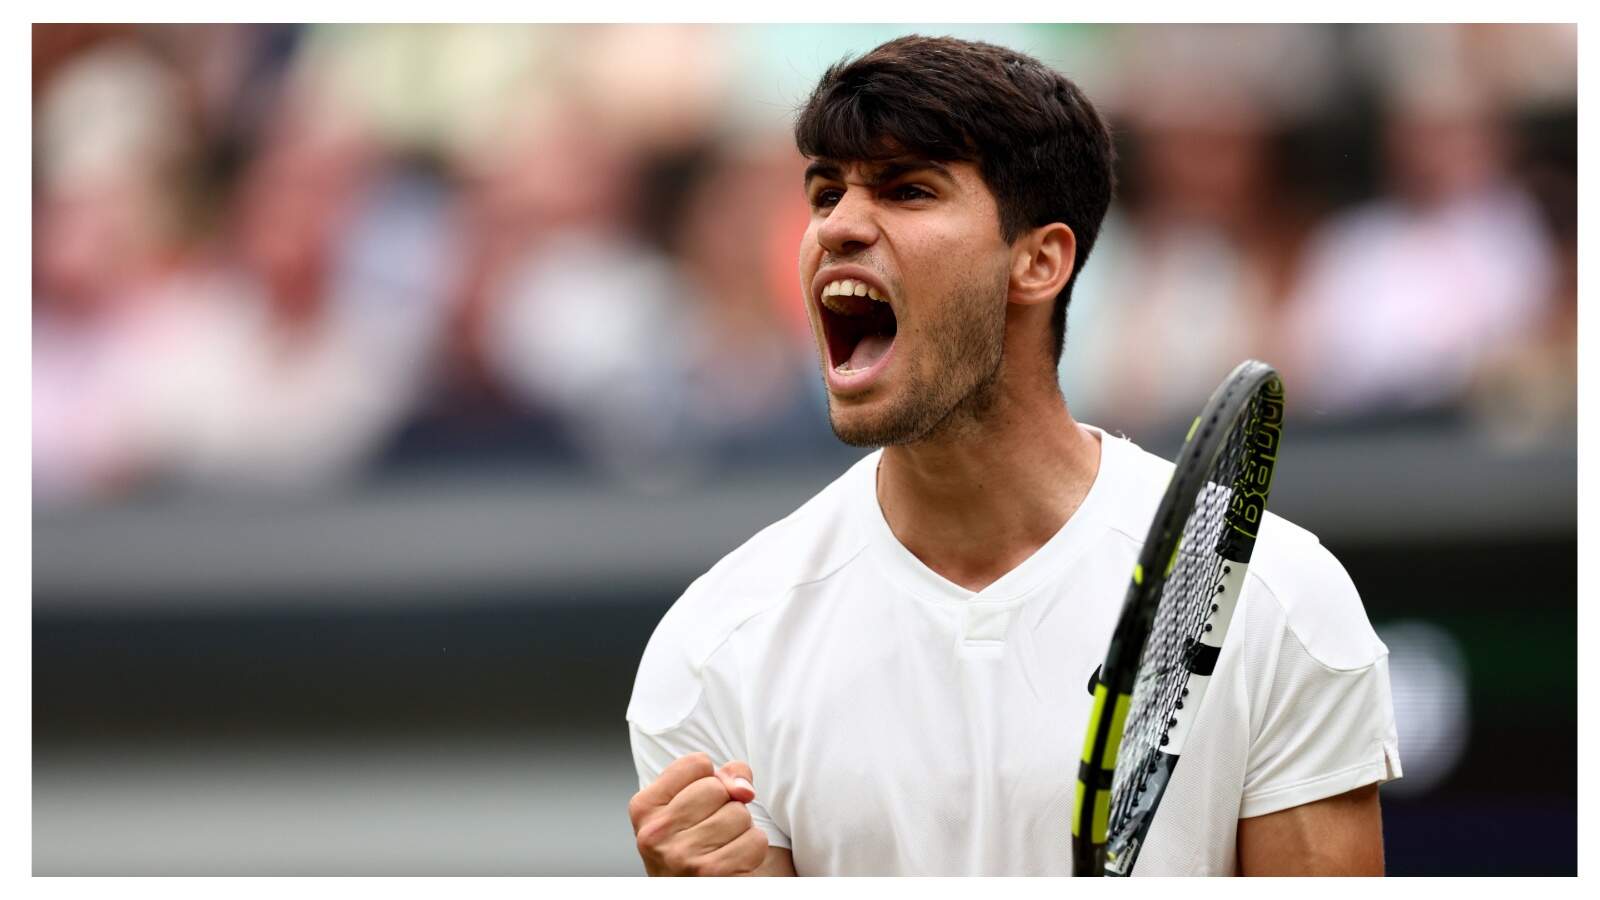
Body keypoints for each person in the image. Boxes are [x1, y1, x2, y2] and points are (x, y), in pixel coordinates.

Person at [625, 35, 1400, 876]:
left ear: (1039, 261)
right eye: (824, 194)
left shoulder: (1280, 599)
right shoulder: (716, 647)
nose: (838, 226)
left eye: (907, 190)